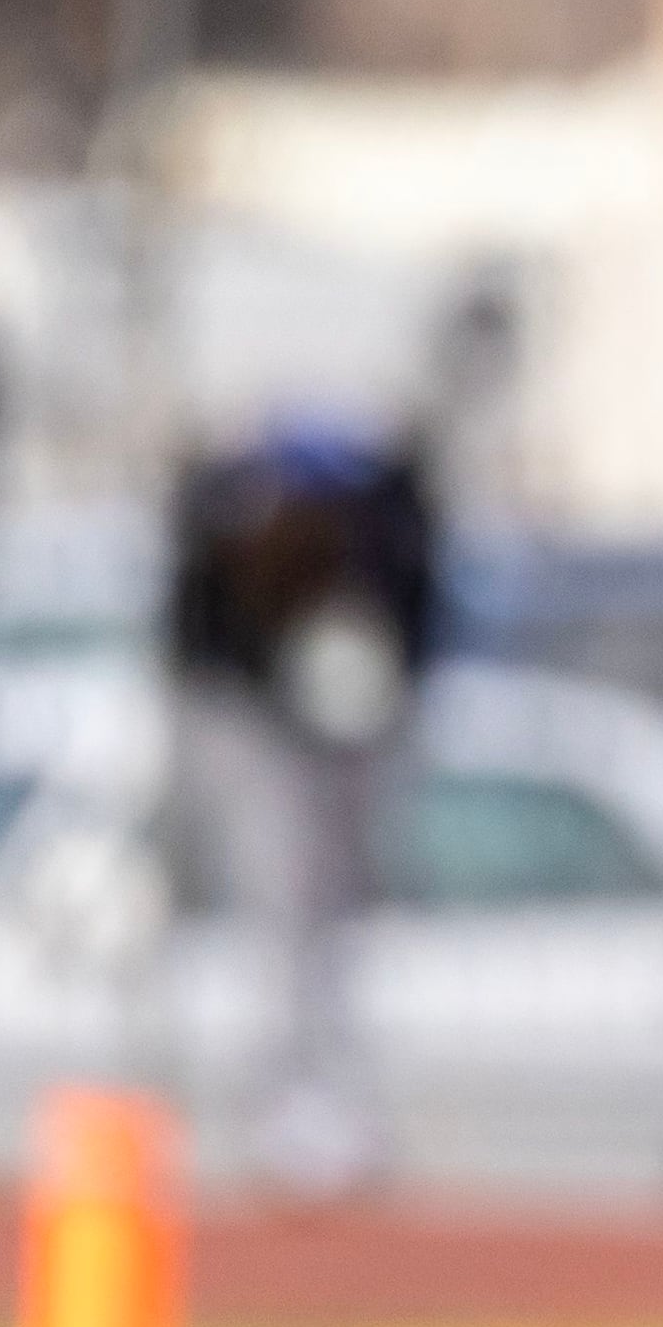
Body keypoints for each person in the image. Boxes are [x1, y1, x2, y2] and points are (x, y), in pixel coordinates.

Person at [168, 412, 439, 1195]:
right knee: (281, 910)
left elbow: (409, 626)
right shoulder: (229, 532)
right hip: (264, 727)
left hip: (339, 733)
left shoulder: (384, 533)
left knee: (333, 923)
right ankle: (281, 1102)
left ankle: (335, 1100)